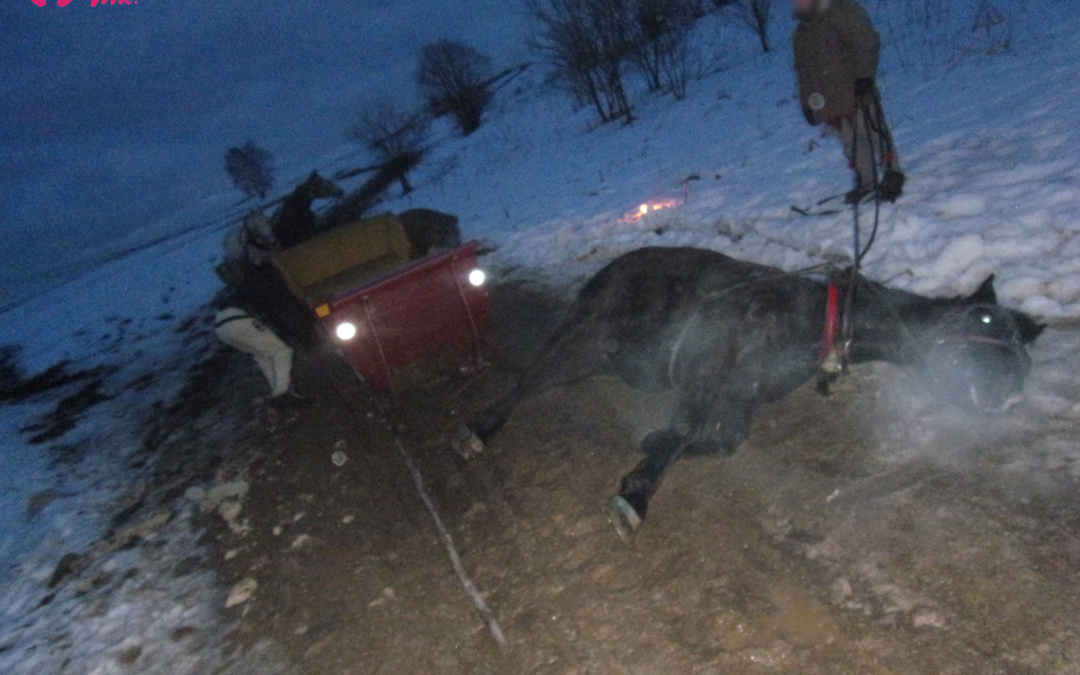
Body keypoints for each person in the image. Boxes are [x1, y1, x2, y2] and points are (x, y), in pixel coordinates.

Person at [792, 0, 905, 204]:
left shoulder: (842, 10)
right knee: (851, 144)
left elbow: (866, 42)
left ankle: (892, 174)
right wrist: (808, 105)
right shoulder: (801, 34)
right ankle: (866, 182)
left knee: (874, 133)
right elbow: (803, 74)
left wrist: (864, 76)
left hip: (856, 91)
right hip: (830, 102)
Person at [213, 266, 318, 430]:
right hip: (238, 320)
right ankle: (282, 394)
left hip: (220, 328)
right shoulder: (267, 283)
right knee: (282, 352)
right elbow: (277, 312)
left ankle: (282, 394)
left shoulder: (247, 285)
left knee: (263, 356)